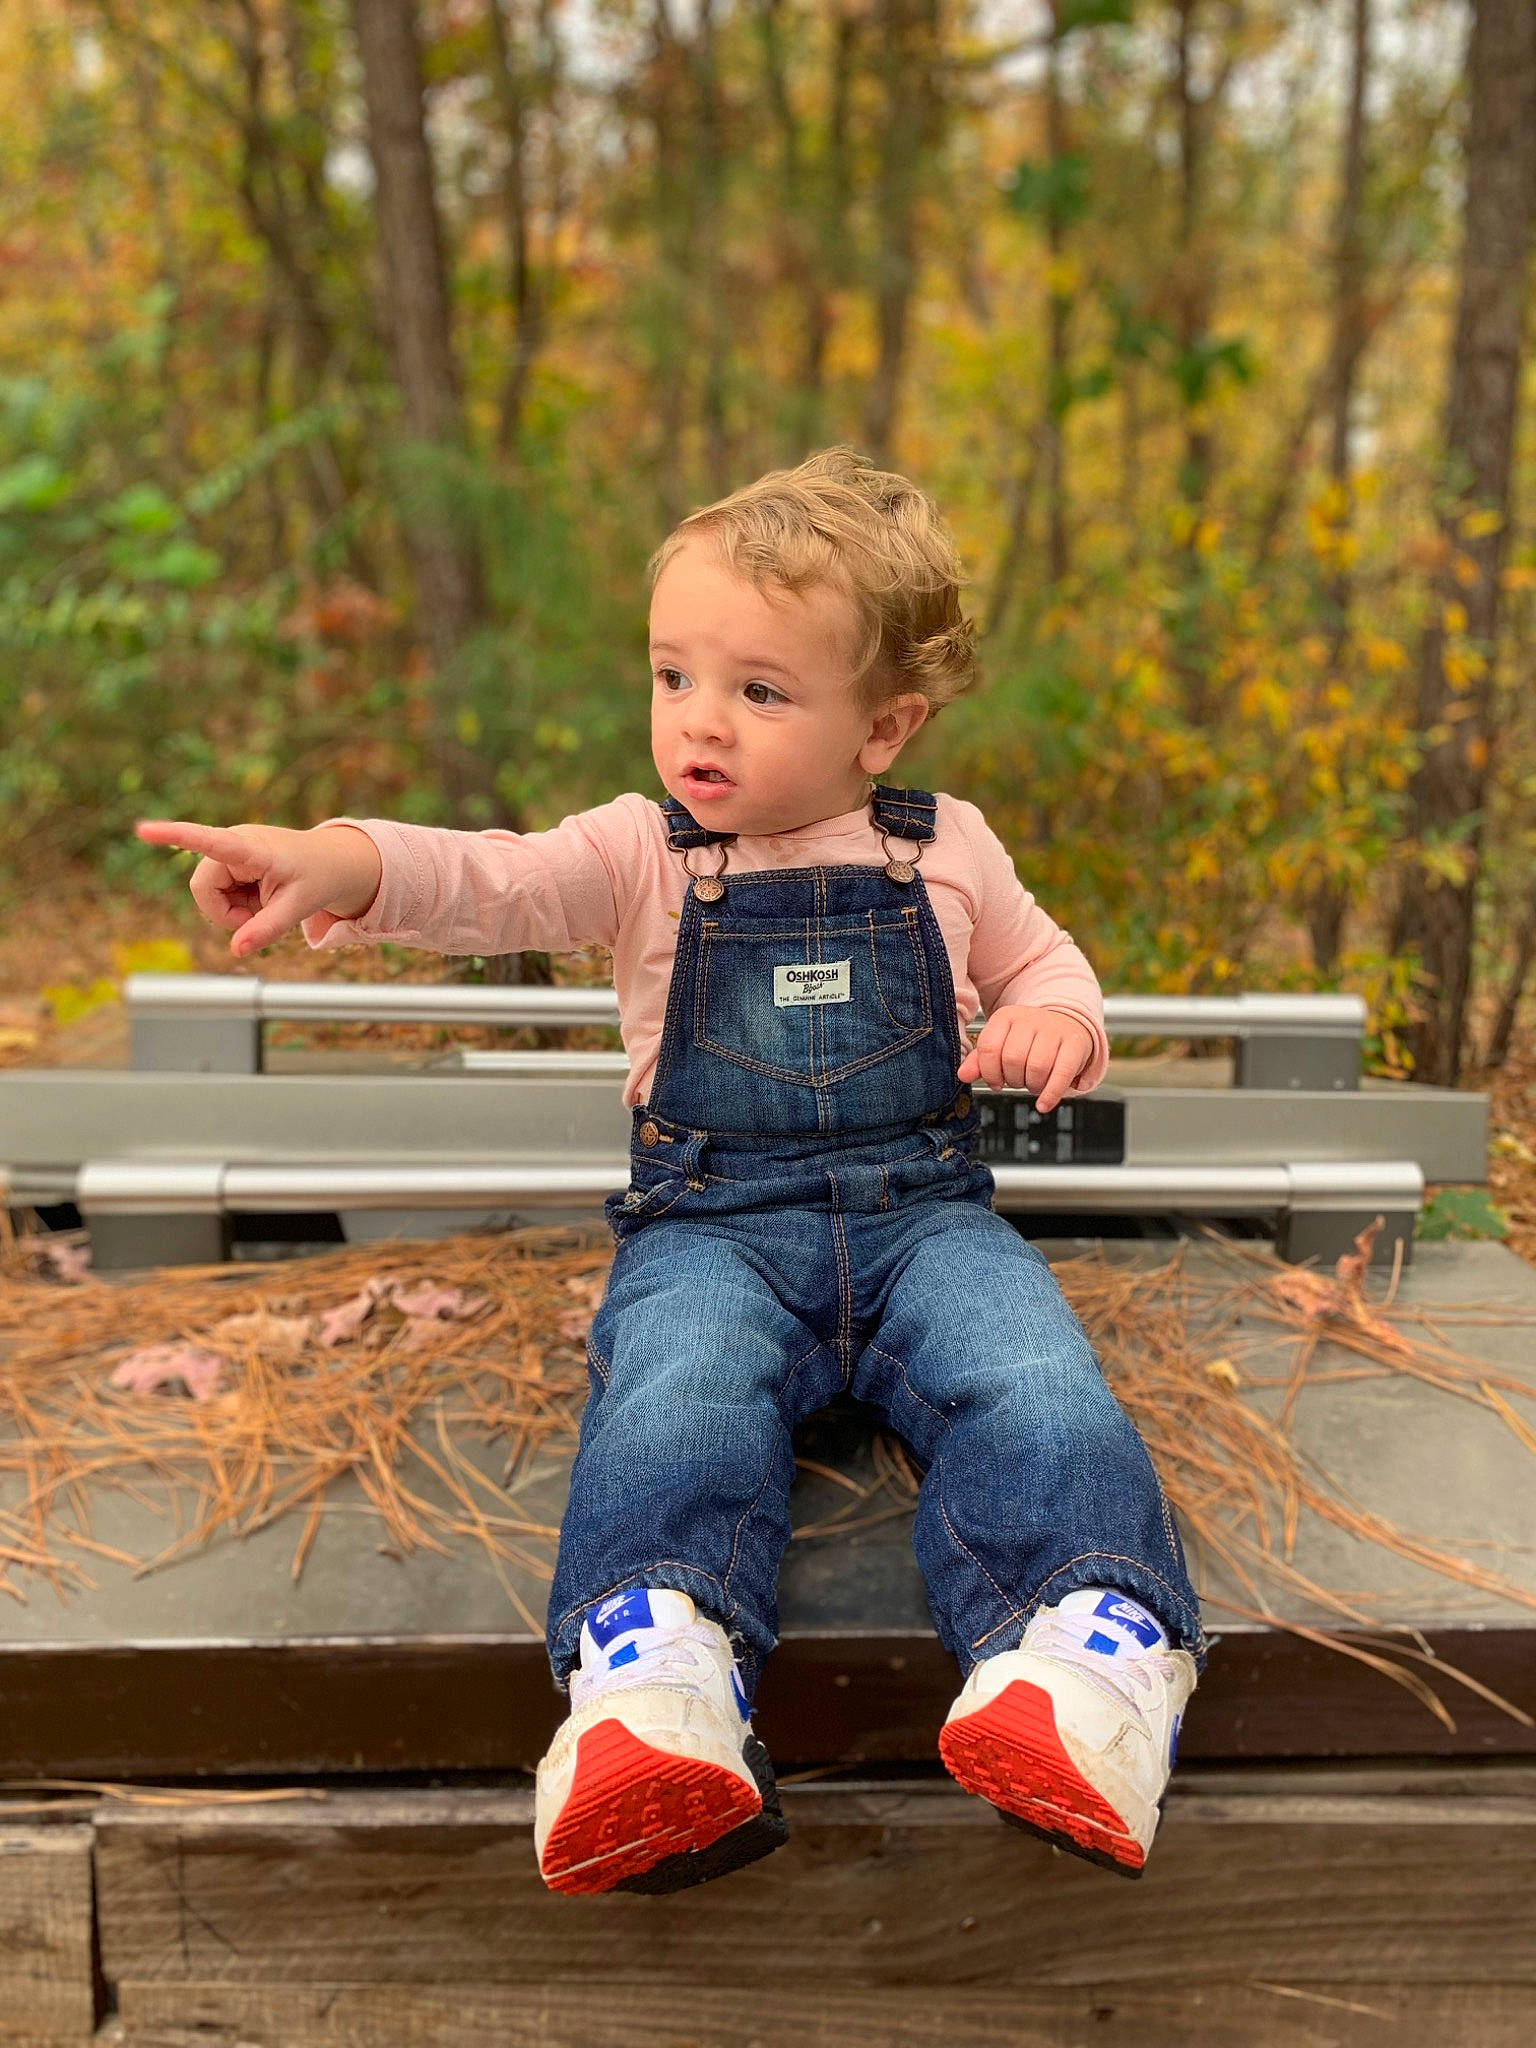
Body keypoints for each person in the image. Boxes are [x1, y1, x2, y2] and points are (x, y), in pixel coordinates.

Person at [137, 447, 1204, 1897]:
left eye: (761, 692)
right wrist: (340, 860)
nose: (700, 722)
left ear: (882, 724)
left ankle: (1087, 1662)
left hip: (922, 1217)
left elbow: (1044, 959)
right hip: (714, 1225)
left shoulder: (945, 846)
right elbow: (486, 878)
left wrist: (1052, 1019)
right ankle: (654, 1688)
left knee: (1031, 1374)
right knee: (677, 1388)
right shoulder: (643, 852)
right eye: (673, 677)